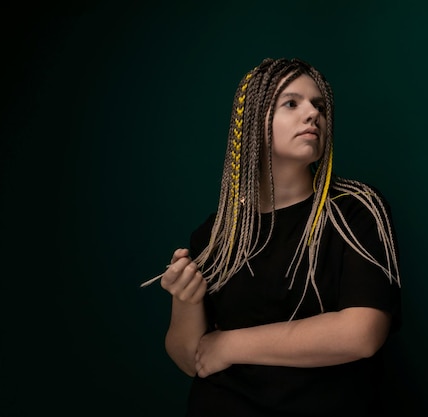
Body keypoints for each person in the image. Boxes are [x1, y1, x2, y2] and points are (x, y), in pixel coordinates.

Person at [144, 57, 402, 417]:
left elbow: (362, 334)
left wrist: (230, 344)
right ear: (253, 123)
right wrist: (185, 300)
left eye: (320, 106)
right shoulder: (217, 231)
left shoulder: (356, 210)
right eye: (291, 103)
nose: (312, 114)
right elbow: (191, 359)